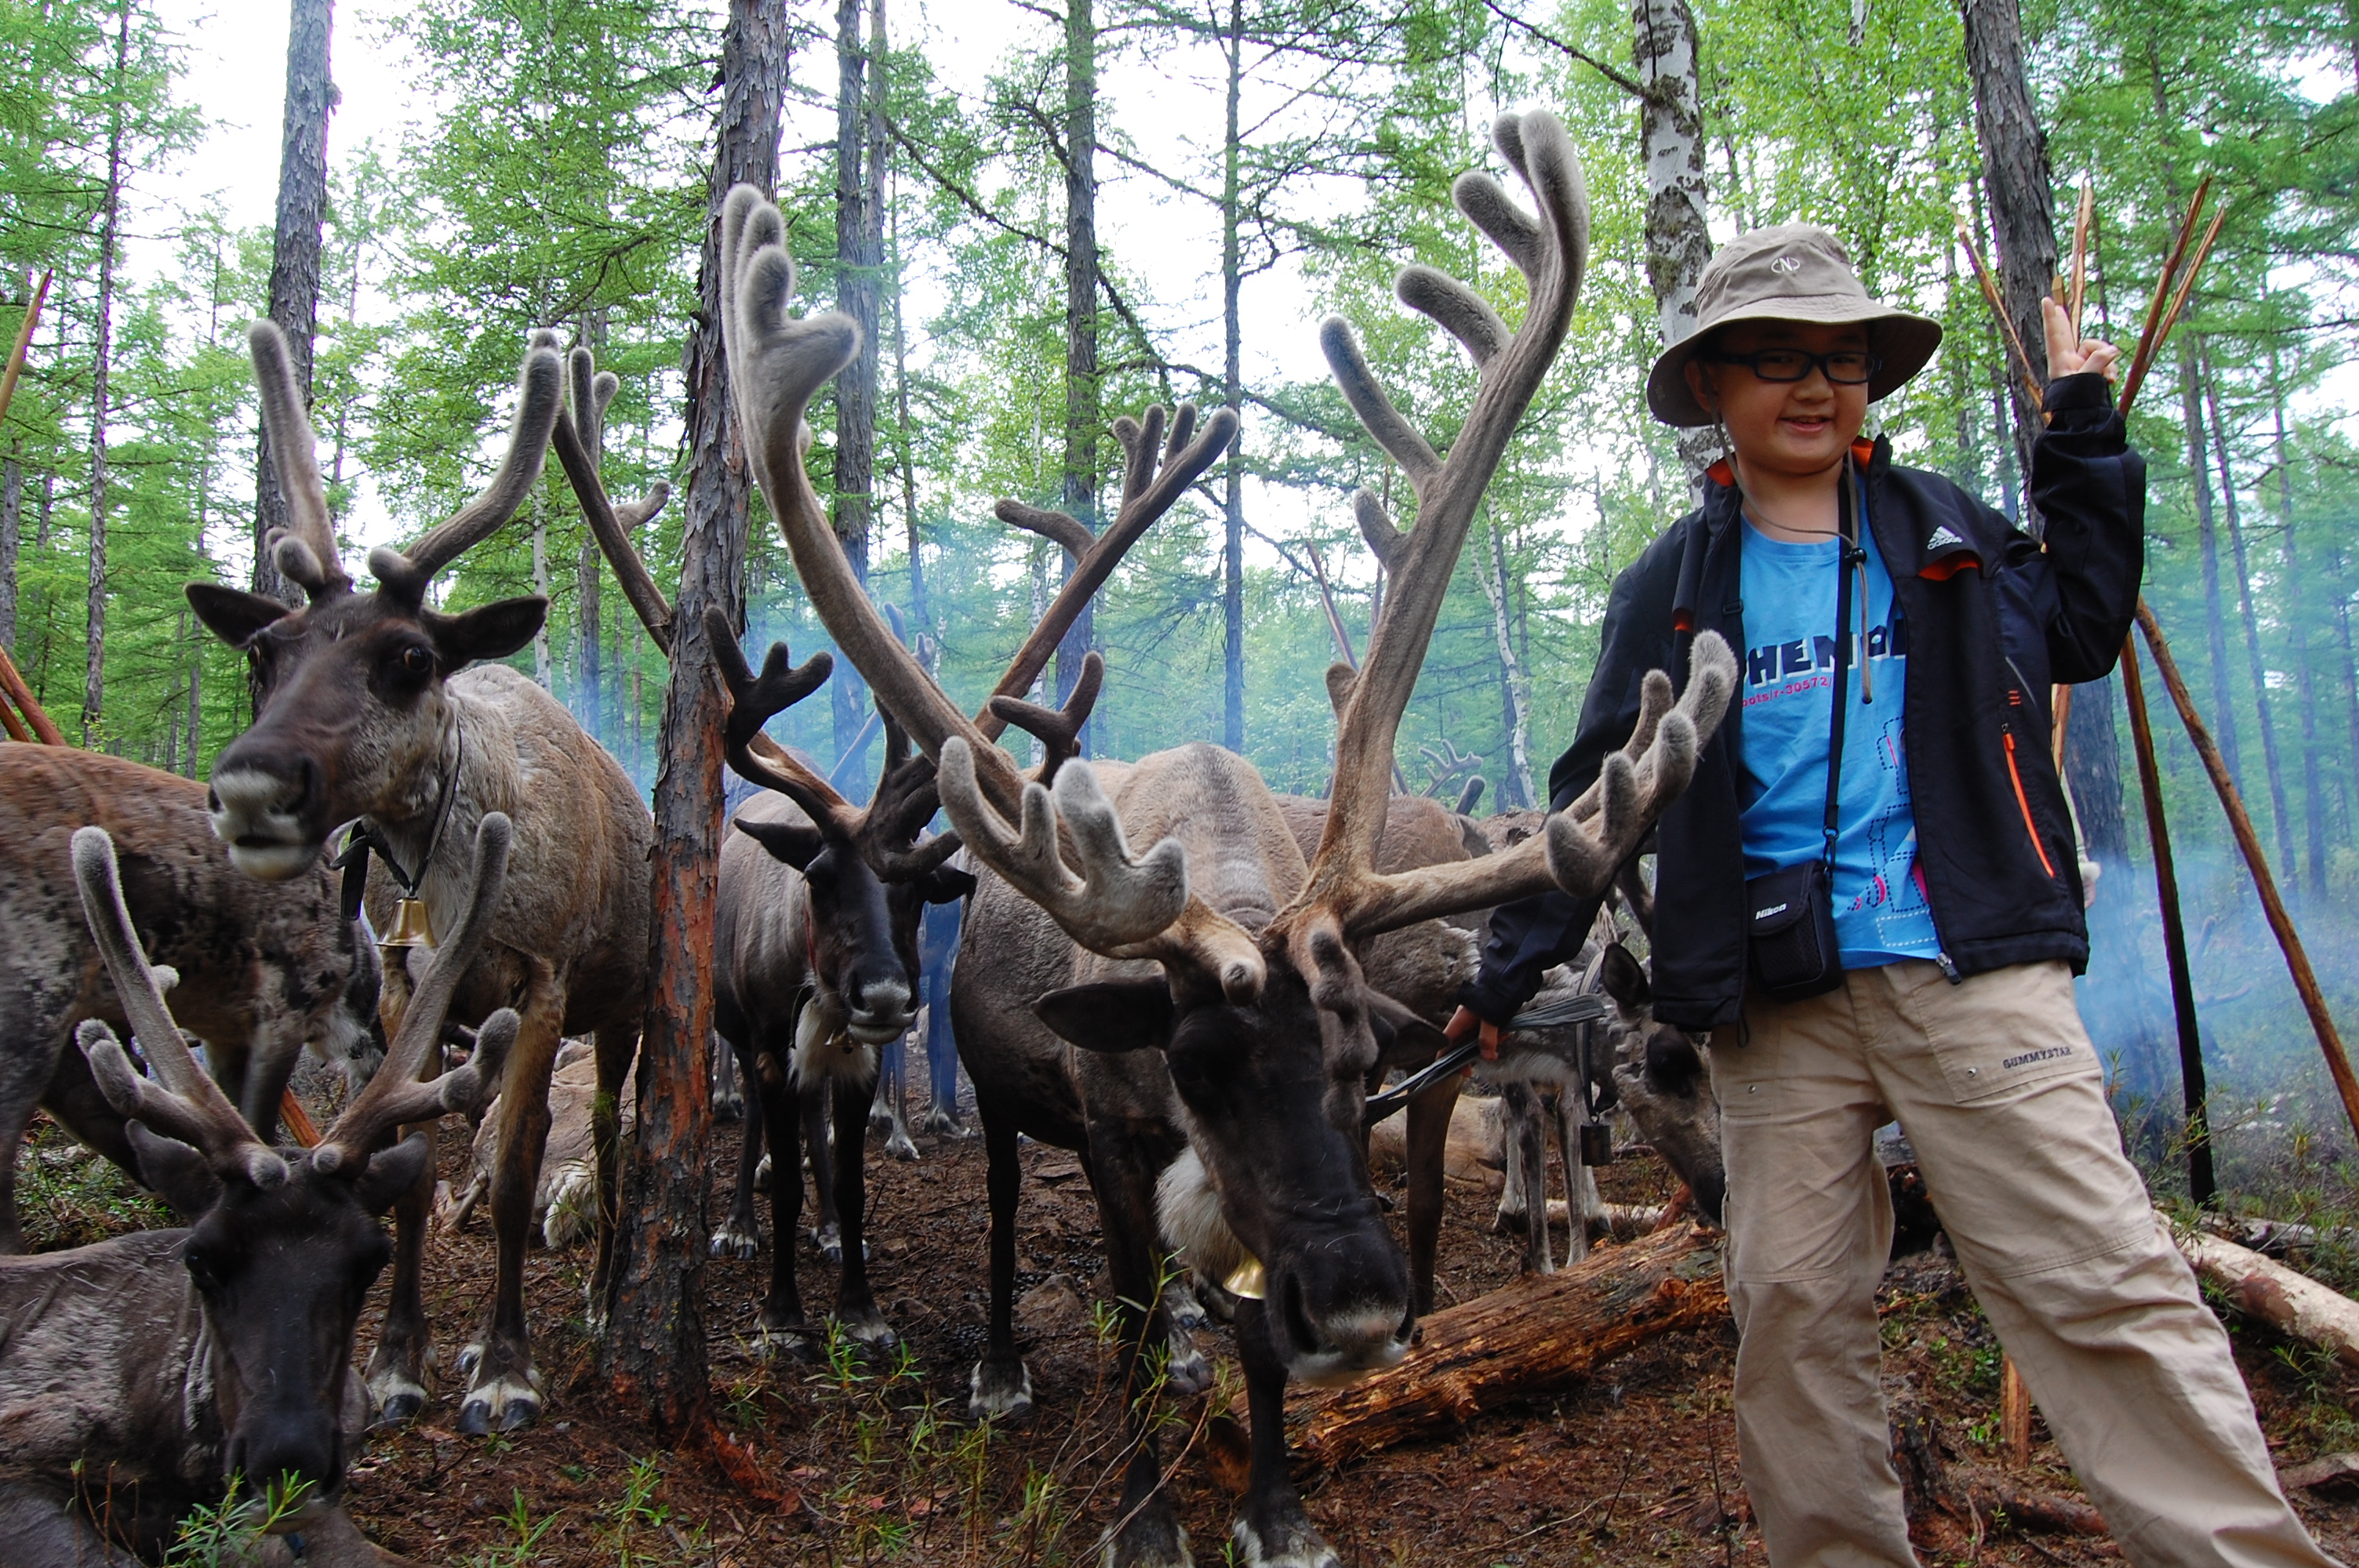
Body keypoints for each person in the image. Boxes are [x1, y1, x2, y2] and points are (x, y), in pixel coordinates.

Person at [1445, 223, 2336, 1568]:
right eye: (1775, 361)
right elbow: (1600, 802)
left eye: (1841, 360)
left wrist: (2084, 430)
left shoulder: (1951, 533)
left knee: (2099, 1284)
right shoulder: (1674, 589)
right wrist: (1507, 974)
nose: (1813, 387)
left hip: (1972, 972)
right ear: (1712, 391)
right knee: (1794, 1314)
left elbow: (2086, 622)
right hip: (1775, 1007)